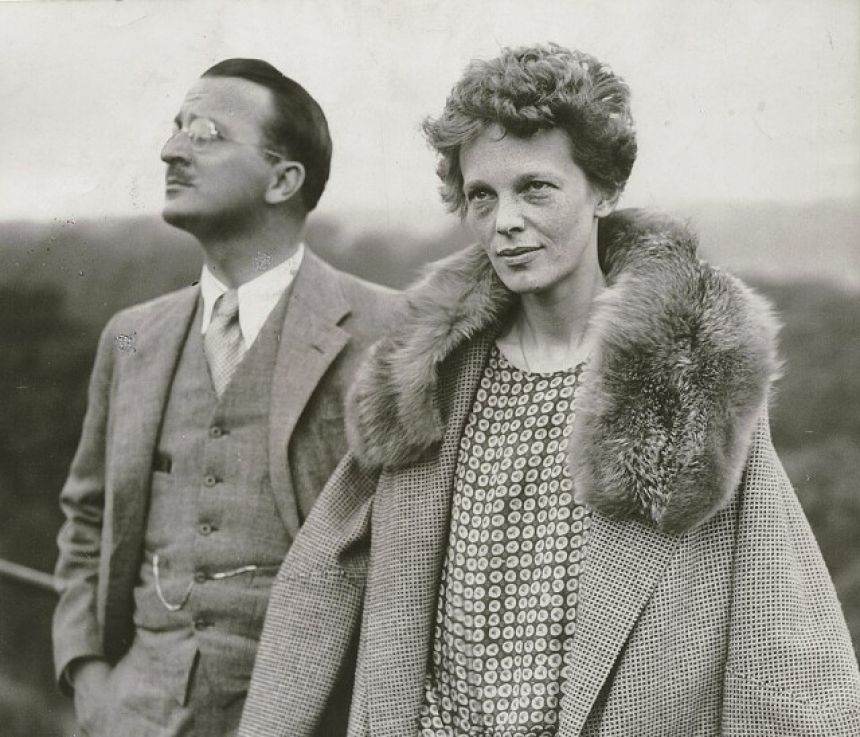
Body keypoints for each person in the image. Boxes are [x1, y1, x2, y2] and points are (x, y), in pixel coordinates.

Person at [239, 43, 860, 736]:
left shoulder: (687, 383)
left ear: (604, 189)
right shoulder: (425, 378)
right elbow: (320, 580)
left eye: (535, 188)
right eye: (482, 195)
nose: (504, 220)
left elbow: (780, 629)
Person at [52, 58, 399, 736]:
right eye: (176, 127)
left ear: (283, 179)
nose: (170, 150)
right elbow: (87, 516)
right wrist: (87, 674)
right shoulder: (132, 337)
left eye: (205, 133)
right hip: (135, 713)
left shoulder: (389, 331)